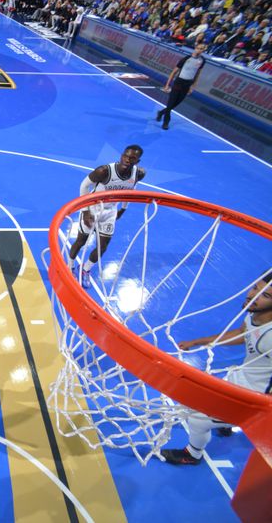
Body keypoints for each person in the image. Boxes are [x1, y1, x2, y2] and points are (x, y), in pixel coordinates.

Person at [161, 272, 272, 465]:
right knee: (195, 398)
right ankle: (226, 421)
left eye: (266, 295)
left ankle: (192, 454)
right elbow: (242, 333)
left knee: (197, 418)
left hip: (255, 399)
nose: (253, 295)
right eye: (255, 287)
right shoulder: (255, 315)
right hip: (240, 379)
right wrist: (197, 341)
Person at [68, 145, 146, 288]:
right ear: (122, 155)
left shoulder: (138, 174)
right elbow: (84, 186)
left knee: (103, 247)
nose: (128, 159)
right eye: (125, 156)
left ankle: (85, 269)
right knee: (81, 241)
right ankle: (70, 265)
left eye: (132, 158)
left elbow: (131, 190)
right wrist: (85, 211)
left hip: (110, 211)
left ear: (137, 161)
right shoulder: (104, 171)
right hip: (93, 208)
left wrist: (123, 208)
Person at [156, 43, 207, 130]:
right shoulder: (186, 59)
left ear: (204, 50)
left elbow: (197, 73)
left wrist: (192, 86)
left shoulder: (202, 60)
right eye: (198, 48)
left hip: (187, 84)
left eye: (202, 49)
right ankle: (166, 122)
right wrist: (167, 84)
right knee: (170, 103)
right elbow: (174, 72)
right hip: (178, 83)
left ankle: (161, 112)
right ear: (195, 48)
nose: (199, 50)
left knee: (175, 104)